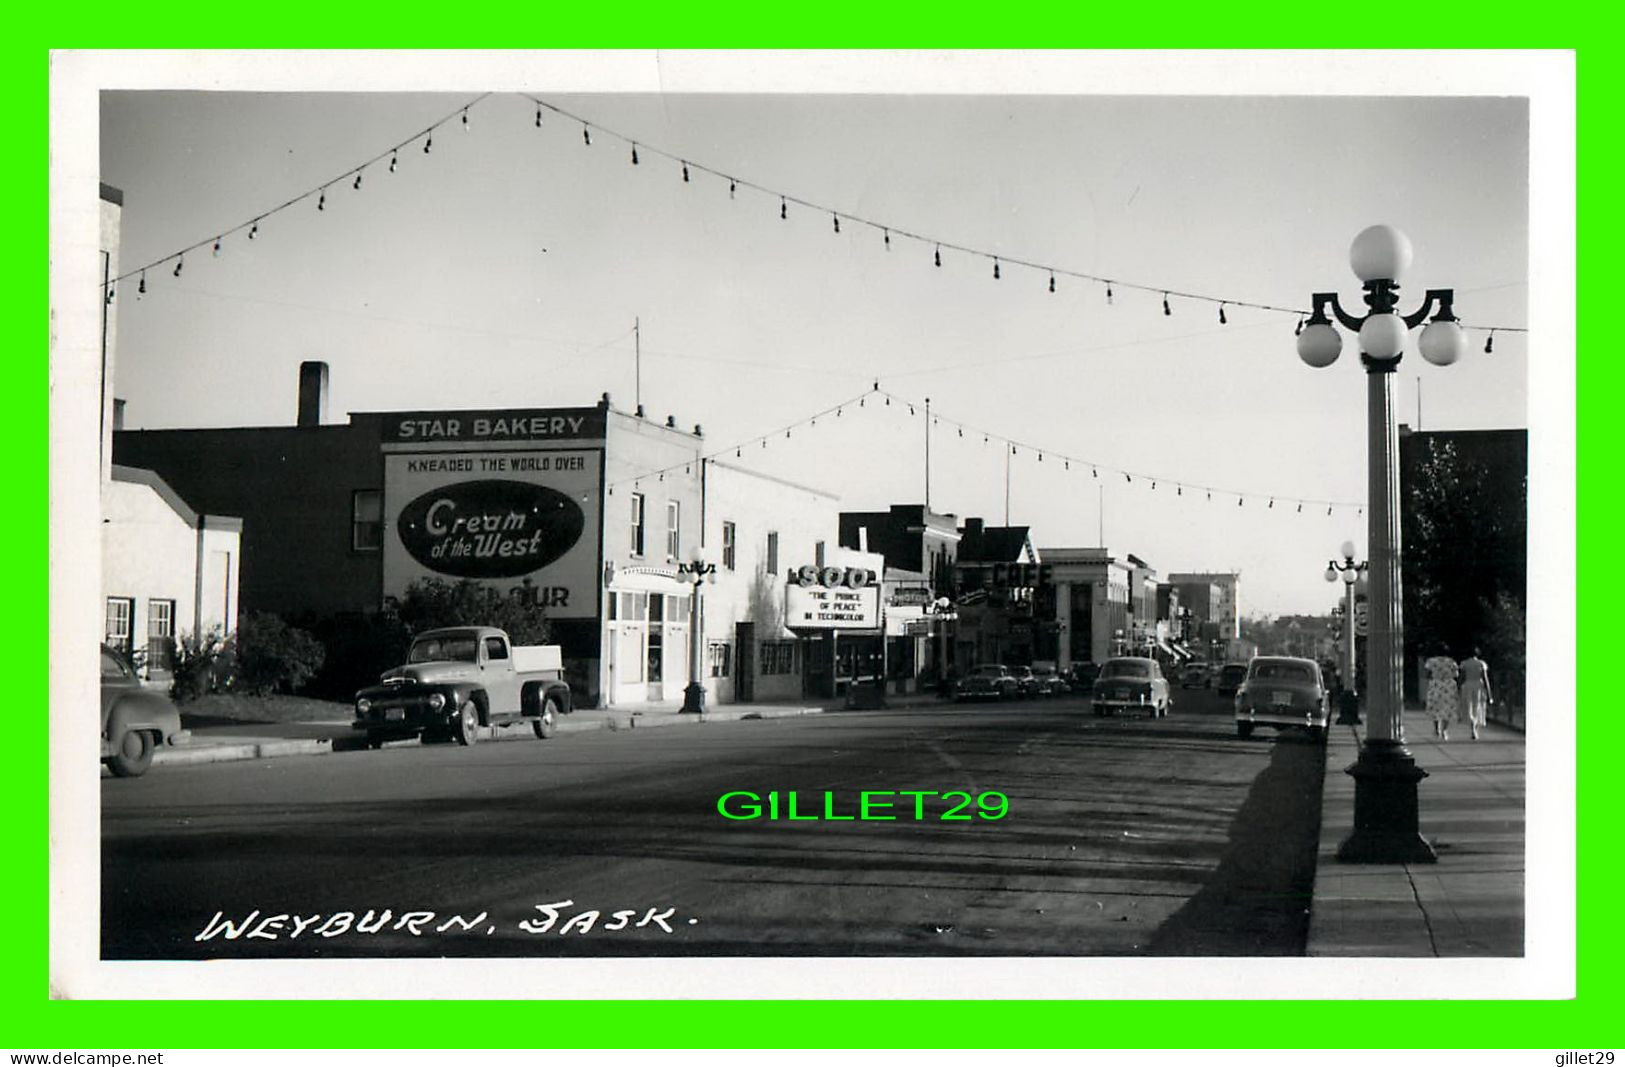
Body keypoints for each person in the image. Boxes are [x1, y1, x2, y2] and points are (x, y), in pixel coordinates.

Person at [1424, 650, 1460, 740]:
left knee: (1435, 707)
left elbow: (1427, 674)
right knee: (1448, 708)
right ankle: (1445, 730)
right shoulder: (1451, 661)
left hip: (1436, 684)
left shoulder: (1431, 661)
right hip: (1448, 685)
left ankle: (1436, 729)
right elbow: (1456, 674)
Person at [1458, 648, 1493, 740]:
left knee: (1469, 706)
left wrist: (1458, 689)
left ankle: (1472, 727)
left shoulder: (1464, 664)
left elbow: (1461, 678)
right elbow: (1485, 679)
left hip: (1467, 685)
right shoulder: (1481, 664)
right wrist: (1489, 694)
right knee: (1478, 706)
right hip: (1479, 686)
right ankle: (1475, 729)